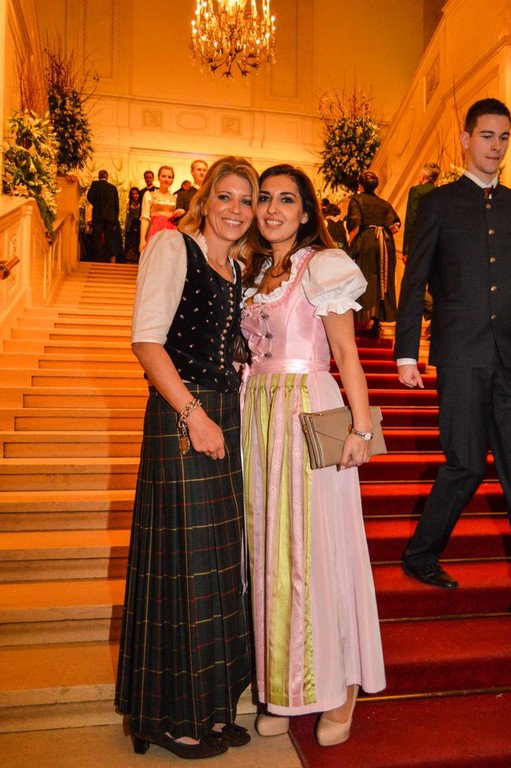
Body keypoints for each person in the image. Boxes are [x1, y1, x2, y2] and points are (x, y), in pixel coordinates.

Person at [115, 156, 259, 758]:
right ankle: (170, 716)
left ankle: (212, 707)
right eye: (225, 196)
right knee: (184, 563)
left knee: (219, 567)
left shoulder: (237, 267)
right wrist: (193, 415)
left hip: (223, 414)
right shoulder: (174, 247)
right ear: (205, 199)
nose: (235, 209)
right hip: (184, 413)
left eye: (246, 200)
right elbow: (147, 341)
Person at [241, 164, 385, 748]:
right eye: (264, 198)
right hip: (259, 418)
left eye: (287, 199)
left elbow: (346, 353)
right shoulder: (255, 273)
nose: (273, 209)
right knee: (272, 554)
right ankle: (286, 686)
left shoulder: (323, 265)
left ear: (306, 212)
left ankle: (340, 686)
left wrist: (361, 427)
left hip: (306, 409)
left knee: (319, 553)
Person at [394, 97, 511, 589]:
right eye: (487, 136)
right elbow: (415, 279)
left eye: (504, 138)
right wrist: (406, 351)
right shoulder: (438, 203)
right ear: (466, 140)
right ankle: (420, 555)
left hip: (509, 355)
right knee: (465, 464)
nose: (496, 146)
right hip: (461, 354)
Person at [347, 171, 400, 336]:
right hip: (385, 243)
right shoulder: (384, 203)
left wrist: (350, 243)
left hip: (367, 241)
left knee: (366, 278)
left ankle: (364, 318)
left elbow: (355, 224)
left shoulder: (356, 200)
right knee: (382, 280)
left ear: (360, 186)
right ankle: (376, 322)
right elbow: (395, 227)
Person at [402, 162, 441, 336]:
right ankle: (435, 320)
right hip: (438, 245)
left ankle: (435, 313)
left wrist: (406, 249)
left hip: (420, 244)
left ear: (424, 175)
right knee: (434, 284)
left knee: (413, 283)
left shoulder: (416, 191)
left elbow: (411, 219)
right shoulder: (441, 192)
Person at [139, 165, 179, 252]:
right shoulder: (149, 195)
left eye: (169, 177)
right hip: (155, 230)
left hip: (171, 231)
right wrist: (142, 239)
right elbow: (145, 218)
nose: (166, 179)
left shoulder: (175, 197)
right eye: (163, 176)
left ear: (172, 180)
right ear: (158, 177)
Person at [86, 170, 123, 263]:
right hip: (110, 218)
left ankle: (97, 259)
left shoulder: (95, 184)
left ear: (99, 176)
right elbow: (116, 205)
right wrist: (115, 219)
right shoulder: (113, 188)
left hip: (98, 215)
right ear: (107, 177)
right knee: (109, 239)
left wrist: (97, 204)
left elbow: (89, 197)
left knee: (96, 238)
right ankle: (107, 259)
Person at [123, 186, 141, 264]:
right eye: (133, 194)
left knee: (137, 242)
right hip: (131, 225)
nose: (135, 195)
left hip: (139, 225)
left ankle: (137, 260)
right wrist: (126, 228)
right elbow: (127, 216)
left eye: (136, 193)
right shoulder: (129, 203)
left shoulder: (141, 204)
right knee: (130, 242)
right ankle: (129, 260)